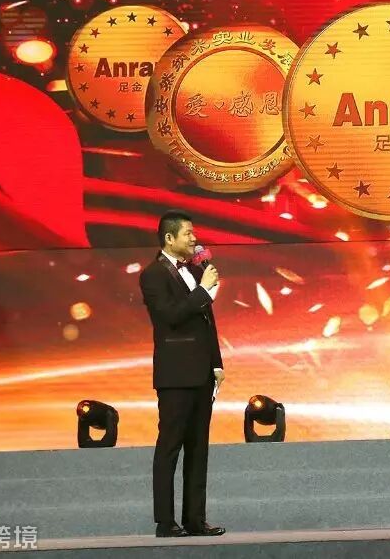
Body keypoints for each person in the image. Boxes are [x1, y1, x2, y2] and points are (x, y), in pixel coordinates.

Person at [139, 211, 227, 538]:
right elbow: (170, 316)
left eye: (194, 233)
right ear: (169, 238)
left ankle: (195, 519)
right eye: (188, 233)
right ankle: (165, 521)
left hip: (202, 373)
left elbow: (206, 322)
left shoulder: (196, 271)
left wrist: (216, 363)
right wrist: (203, 290)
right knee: (170, 447)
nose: (194, 239)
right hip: (175, 375)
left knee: (198, 448)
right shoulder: (152, 275)